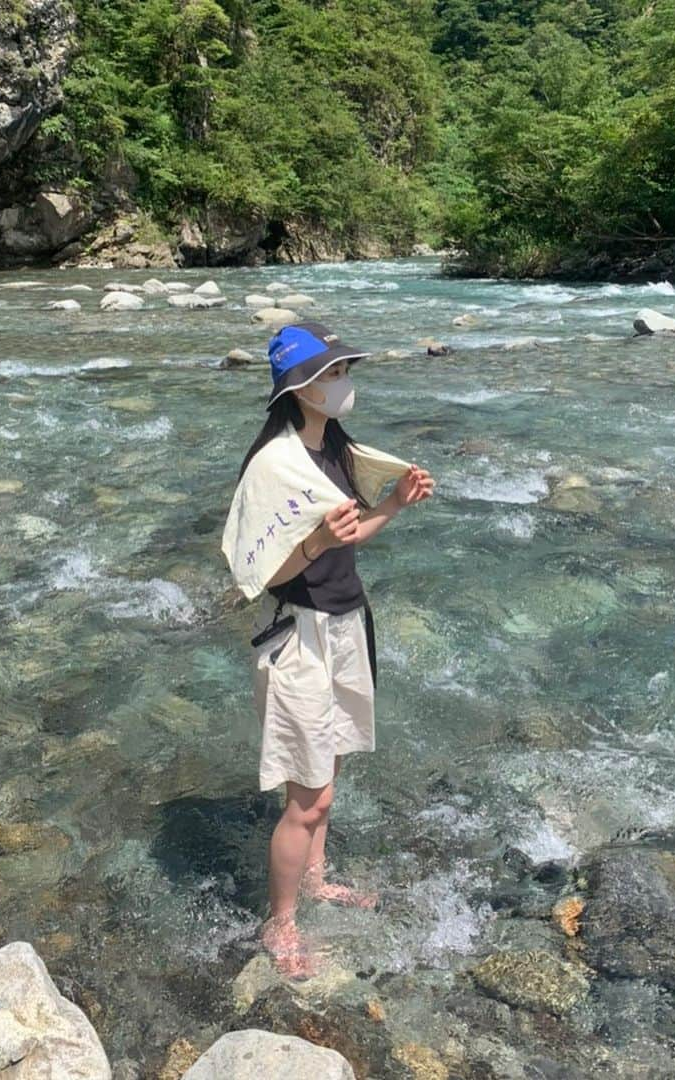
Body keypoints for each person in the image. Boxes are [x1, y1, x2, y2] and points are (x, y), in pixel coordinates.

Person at [222, 321, 434, 978]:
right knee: (305, 798)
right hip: (300, 636)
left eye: (344, 371)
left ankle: (315, 880)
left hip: (345, 627)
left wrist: (393, 504)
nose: (343, 382)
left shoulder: (337, 451)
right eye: (331, 374)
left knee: (327, 784)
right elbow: (260, 574)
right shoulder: (274, 466)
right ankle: (279, 920)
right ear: (299, 388)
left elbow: (349, 535)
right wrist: (311, 544)